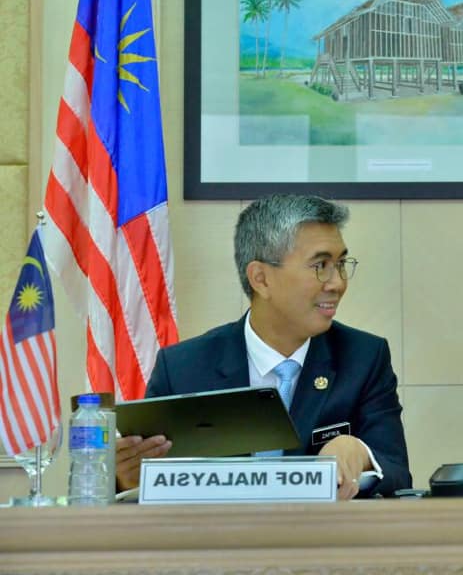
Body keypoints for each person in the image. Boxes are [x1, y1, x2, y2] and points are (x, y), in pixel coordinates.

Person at [116, 194, 412, 498]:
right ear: (261, 279)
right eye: (321, 265)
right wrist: (128, 479)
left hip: (323, 529)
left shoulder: (363, 358)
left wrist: (359, 452)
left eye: (340, 264)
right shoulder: (183, 368)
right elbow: (144, 485)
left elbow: (398, 473)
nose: (337, 283)